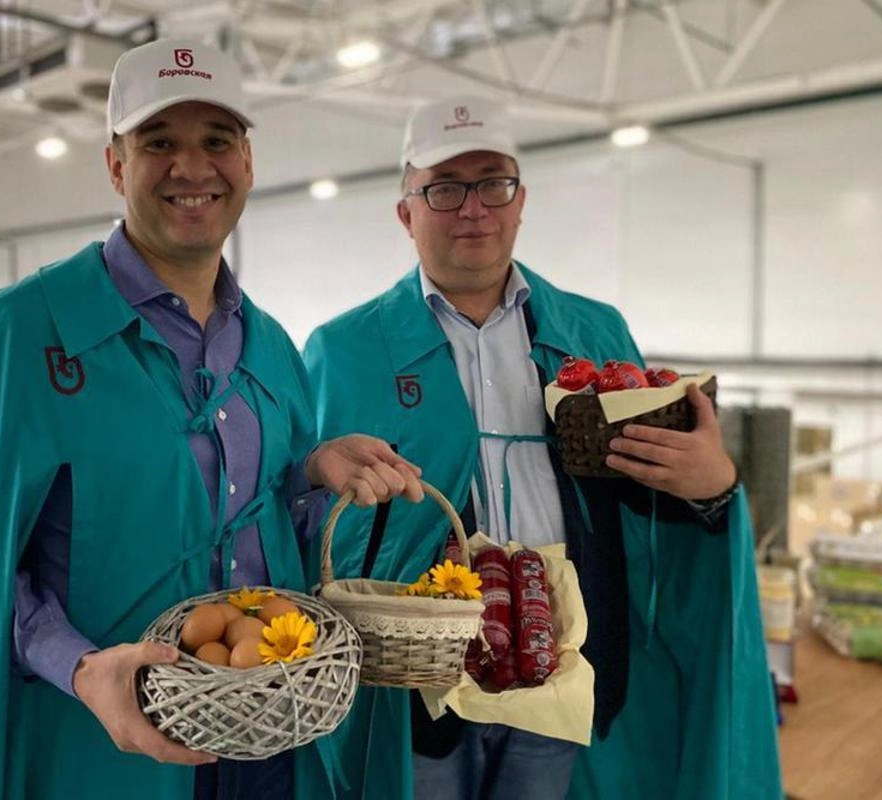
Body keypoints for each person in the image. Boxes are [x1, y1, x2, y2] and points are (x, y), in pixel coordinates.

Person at [0, 38, 422, 800]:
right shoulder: (14, 337)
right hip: (101, 752)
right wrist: (82, 669)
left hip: (267, 744)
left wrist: (310, 473)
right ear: (116, 165)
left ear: (247, 163)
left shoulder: (271, 347)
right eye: (158, 143)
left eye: (217, 140)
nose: (191, 167)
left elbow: (262, 523)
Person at [302, 95, 781, 799]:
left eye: (494, 184)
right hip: (417, 679)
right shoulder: (344, 350)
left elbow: (646, 501)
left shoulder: (595, 333)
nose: (474, 209)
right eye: (444, 188)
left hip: (561, 665)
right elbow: (305, 520)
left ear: (521, 201)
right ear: (406, 213)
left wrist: (711, 487)